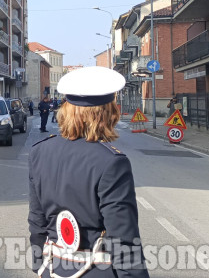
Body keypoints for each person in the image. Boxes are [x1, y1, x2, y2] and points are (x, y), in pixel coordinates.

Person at [28, 66, 148, 278]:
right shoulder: (112, 162)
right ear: (107, 113)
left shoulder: (39, 151)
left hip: (52, 268)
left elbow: (37, 222)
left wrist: (39, 265)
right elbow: (124, 240)